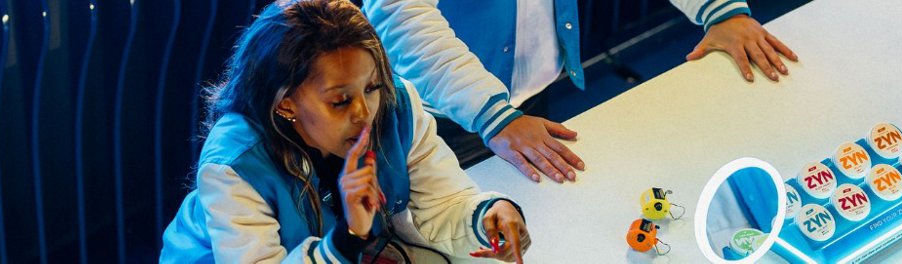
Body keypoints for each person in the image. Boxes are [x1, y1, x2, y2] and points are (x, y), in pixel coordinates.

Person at [160, 0, 528, 262]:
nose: (365, 113)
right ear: (285, 103)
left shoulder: (396, 104)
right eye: (340, 101)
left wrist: (487, 216)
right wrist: (349, 236)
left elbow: (443, 202)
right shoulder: (234, 166)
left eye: (372, 87)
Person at [363, 0, 798, 183]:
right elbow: (402, 14)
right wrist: (490, 112)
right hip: (440, 115)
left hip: (527, 103)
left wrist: (720, 10)